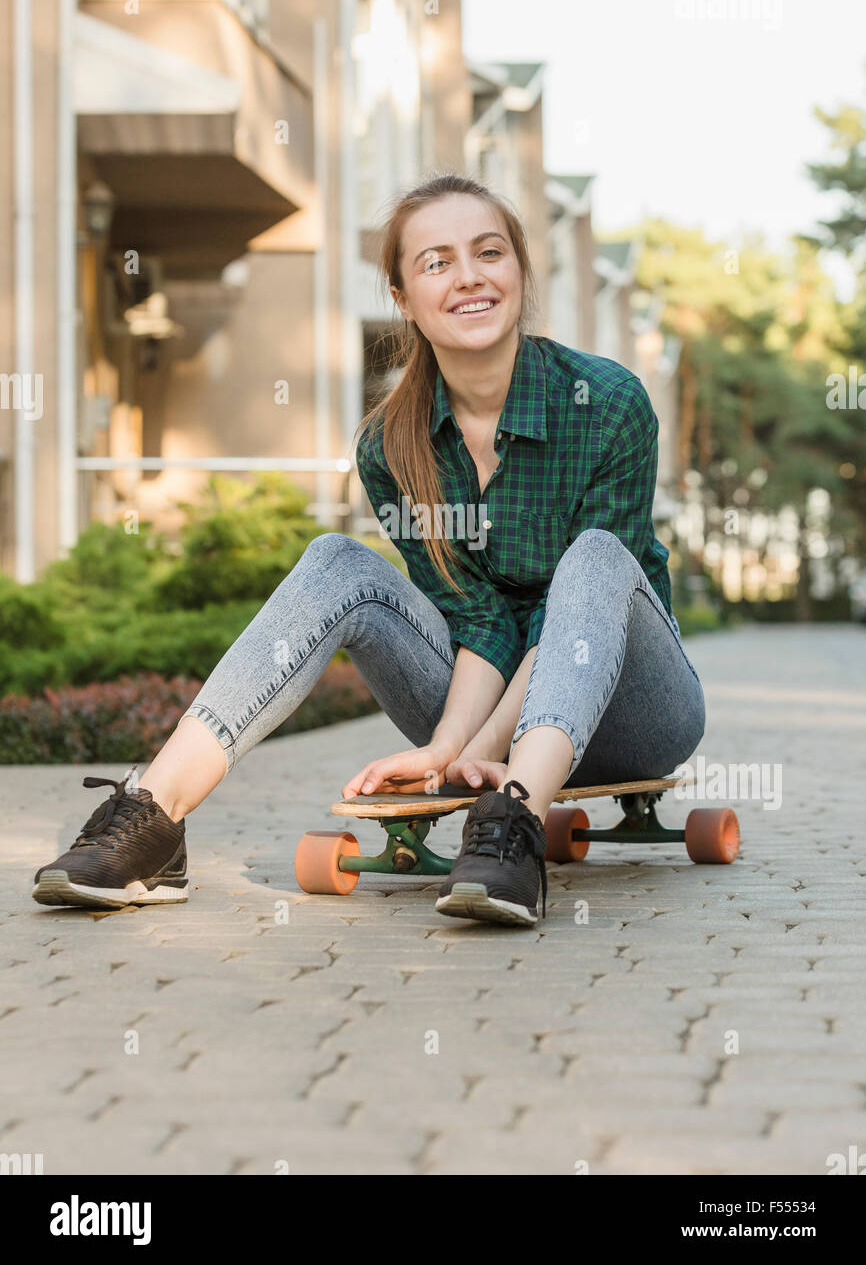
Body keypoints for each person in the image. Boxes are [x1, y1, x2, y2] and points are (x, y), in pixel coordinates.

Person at [32, 173, 705, 927]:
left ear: (519, 270)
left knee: (594, 555)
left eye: (489, 252)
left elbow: (561, 616)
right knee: (335, 558)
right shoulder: (392, 445)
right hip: (485, 722)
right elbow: (475, 617)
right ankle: (154, 816)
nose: (469, 277)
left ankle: (511, 824)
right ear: (402, 294)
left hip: (636, 712)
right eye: (437, 262)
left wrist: (482, 750)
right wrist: (449, 746)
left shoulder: (609, 402)